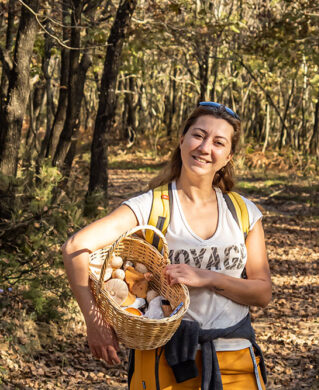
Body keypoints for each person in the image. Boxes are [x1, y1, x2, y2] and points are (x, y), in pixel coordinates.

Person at [62, 101, 272, 390]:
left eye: (219, 142)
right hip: (165, 361)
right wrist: (95, 321)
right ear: (182, 140)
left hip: (236, 360)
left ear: (228, 156)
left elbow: (262, 292)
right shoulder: (149, 206)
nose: (205, 147)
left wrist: (207, 277)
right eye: (198, 135)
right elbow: (76, 246)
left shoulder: (243, 211)